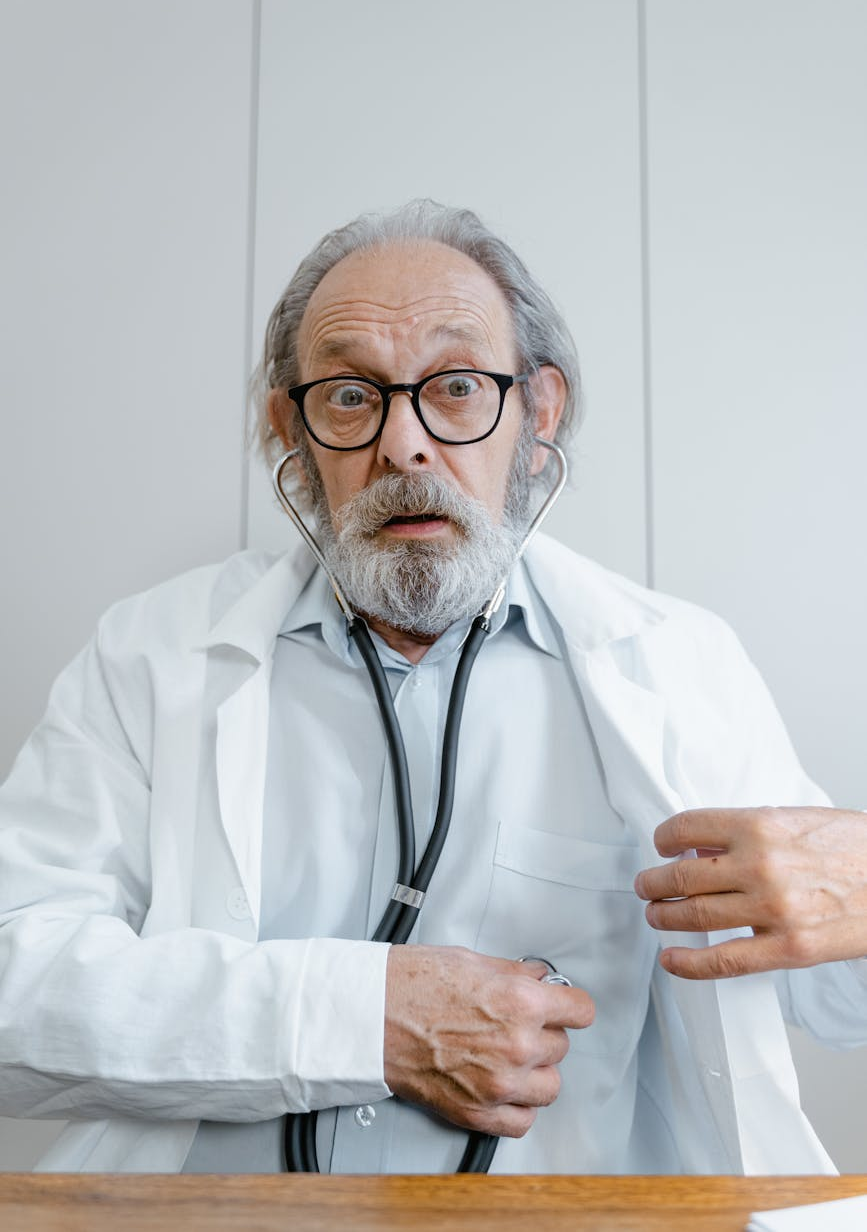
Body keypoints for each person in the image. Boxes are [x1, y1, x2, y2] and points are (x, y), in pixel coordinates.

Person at [1, 201, 866, 1177]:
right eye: (350, 395)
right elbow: (13, 988)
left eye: (455, 387)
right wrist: (361, 1016)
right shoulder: (151, 653)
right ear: (291, 429)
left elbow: (834, 999)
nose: (404, 445)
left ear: (538, 414)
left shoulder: (678, 666)